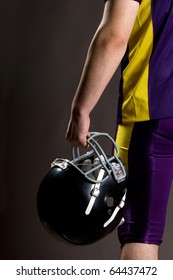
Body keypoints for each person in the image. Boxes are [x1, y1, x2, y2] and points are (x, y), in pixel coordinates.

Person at [65, 0, 173, 260]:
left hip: (152, 112)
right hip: (154, 111)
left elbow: (114, 37)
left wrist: (81, 108)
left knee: (141, 232)